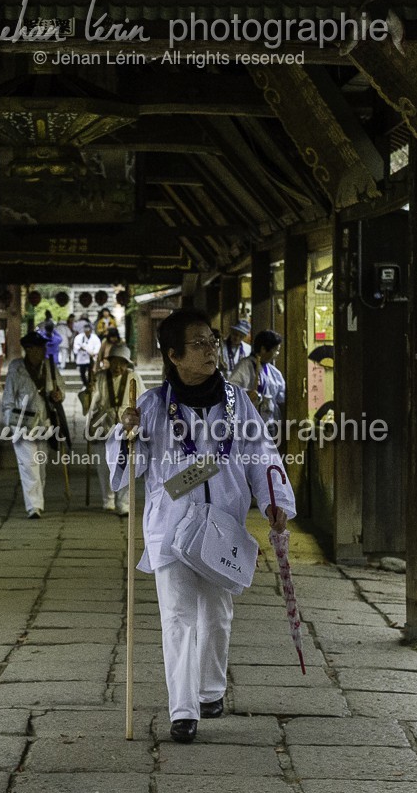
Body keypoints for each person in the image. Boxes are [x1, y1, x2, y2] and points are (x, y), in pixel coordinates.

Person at [109, 308, 295, 744]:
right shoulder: (153, 406)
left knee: (217, 613)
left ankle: (211, 690)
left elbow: (261, 453)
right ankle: (183, 708)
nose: (212, 349)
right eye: (199, 344)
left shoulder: (237, 401)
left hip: (224, 524)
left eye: (212, 341)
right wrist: (126, 433)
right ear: (174, 355)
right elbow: (125, 472)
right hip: (171, 526)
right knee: (177, 616)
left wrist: (273, 499)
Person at [0, 330, 65, 518]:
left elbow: (61, 387)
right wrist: (11, 424)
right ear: (29, 349)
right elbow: (9, 400)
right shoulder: (17, 369)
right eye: (39, 347)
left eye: (43, 346)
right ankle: (33, 506)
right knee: (29, 465)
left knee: (41, 465)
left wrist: (58, 395)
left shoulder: (50, 367)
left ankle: (38, 500)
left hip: (44, 423)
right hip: (22, 424)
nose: (43, 350)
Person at [86, 343, 146, 515]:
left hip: (126, 428)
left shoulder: (134, 377)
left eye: (122, 363)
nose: (118, 367)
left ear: (127, 364)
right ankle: (108, 499)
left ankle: (124, 503)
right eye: (115, 362)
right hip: (103, 427)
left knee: (126, 465)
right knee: (104, 467)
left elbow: (143, 401)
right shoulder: (100, 377)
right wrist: (88, 393)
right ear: (109, 362)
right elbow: (89, 405)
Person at [228, 329, 287, 429]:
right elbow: (230, 391)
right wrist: (246, 394)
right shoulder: (244, 366)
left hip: (269, 424)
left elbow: (281, 397)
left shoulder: (274, 372)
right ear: (263, 349)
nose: (277, 354)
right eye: (275, 350)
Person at [72, 318, 102, 389]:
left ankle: (89, 383)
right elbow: (76, 345)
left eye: (88, 331)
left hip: (91, 357)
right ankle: (85, 384)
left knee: (90, 371)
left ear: (90, 330)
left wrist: (94, 352)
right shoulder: (79, 337)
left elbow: (98, 345)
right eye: (85, 331)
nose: (87, 332)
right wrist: (80, 348)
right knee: (82, 372)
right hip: (82, 357)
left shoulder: (95, 337)